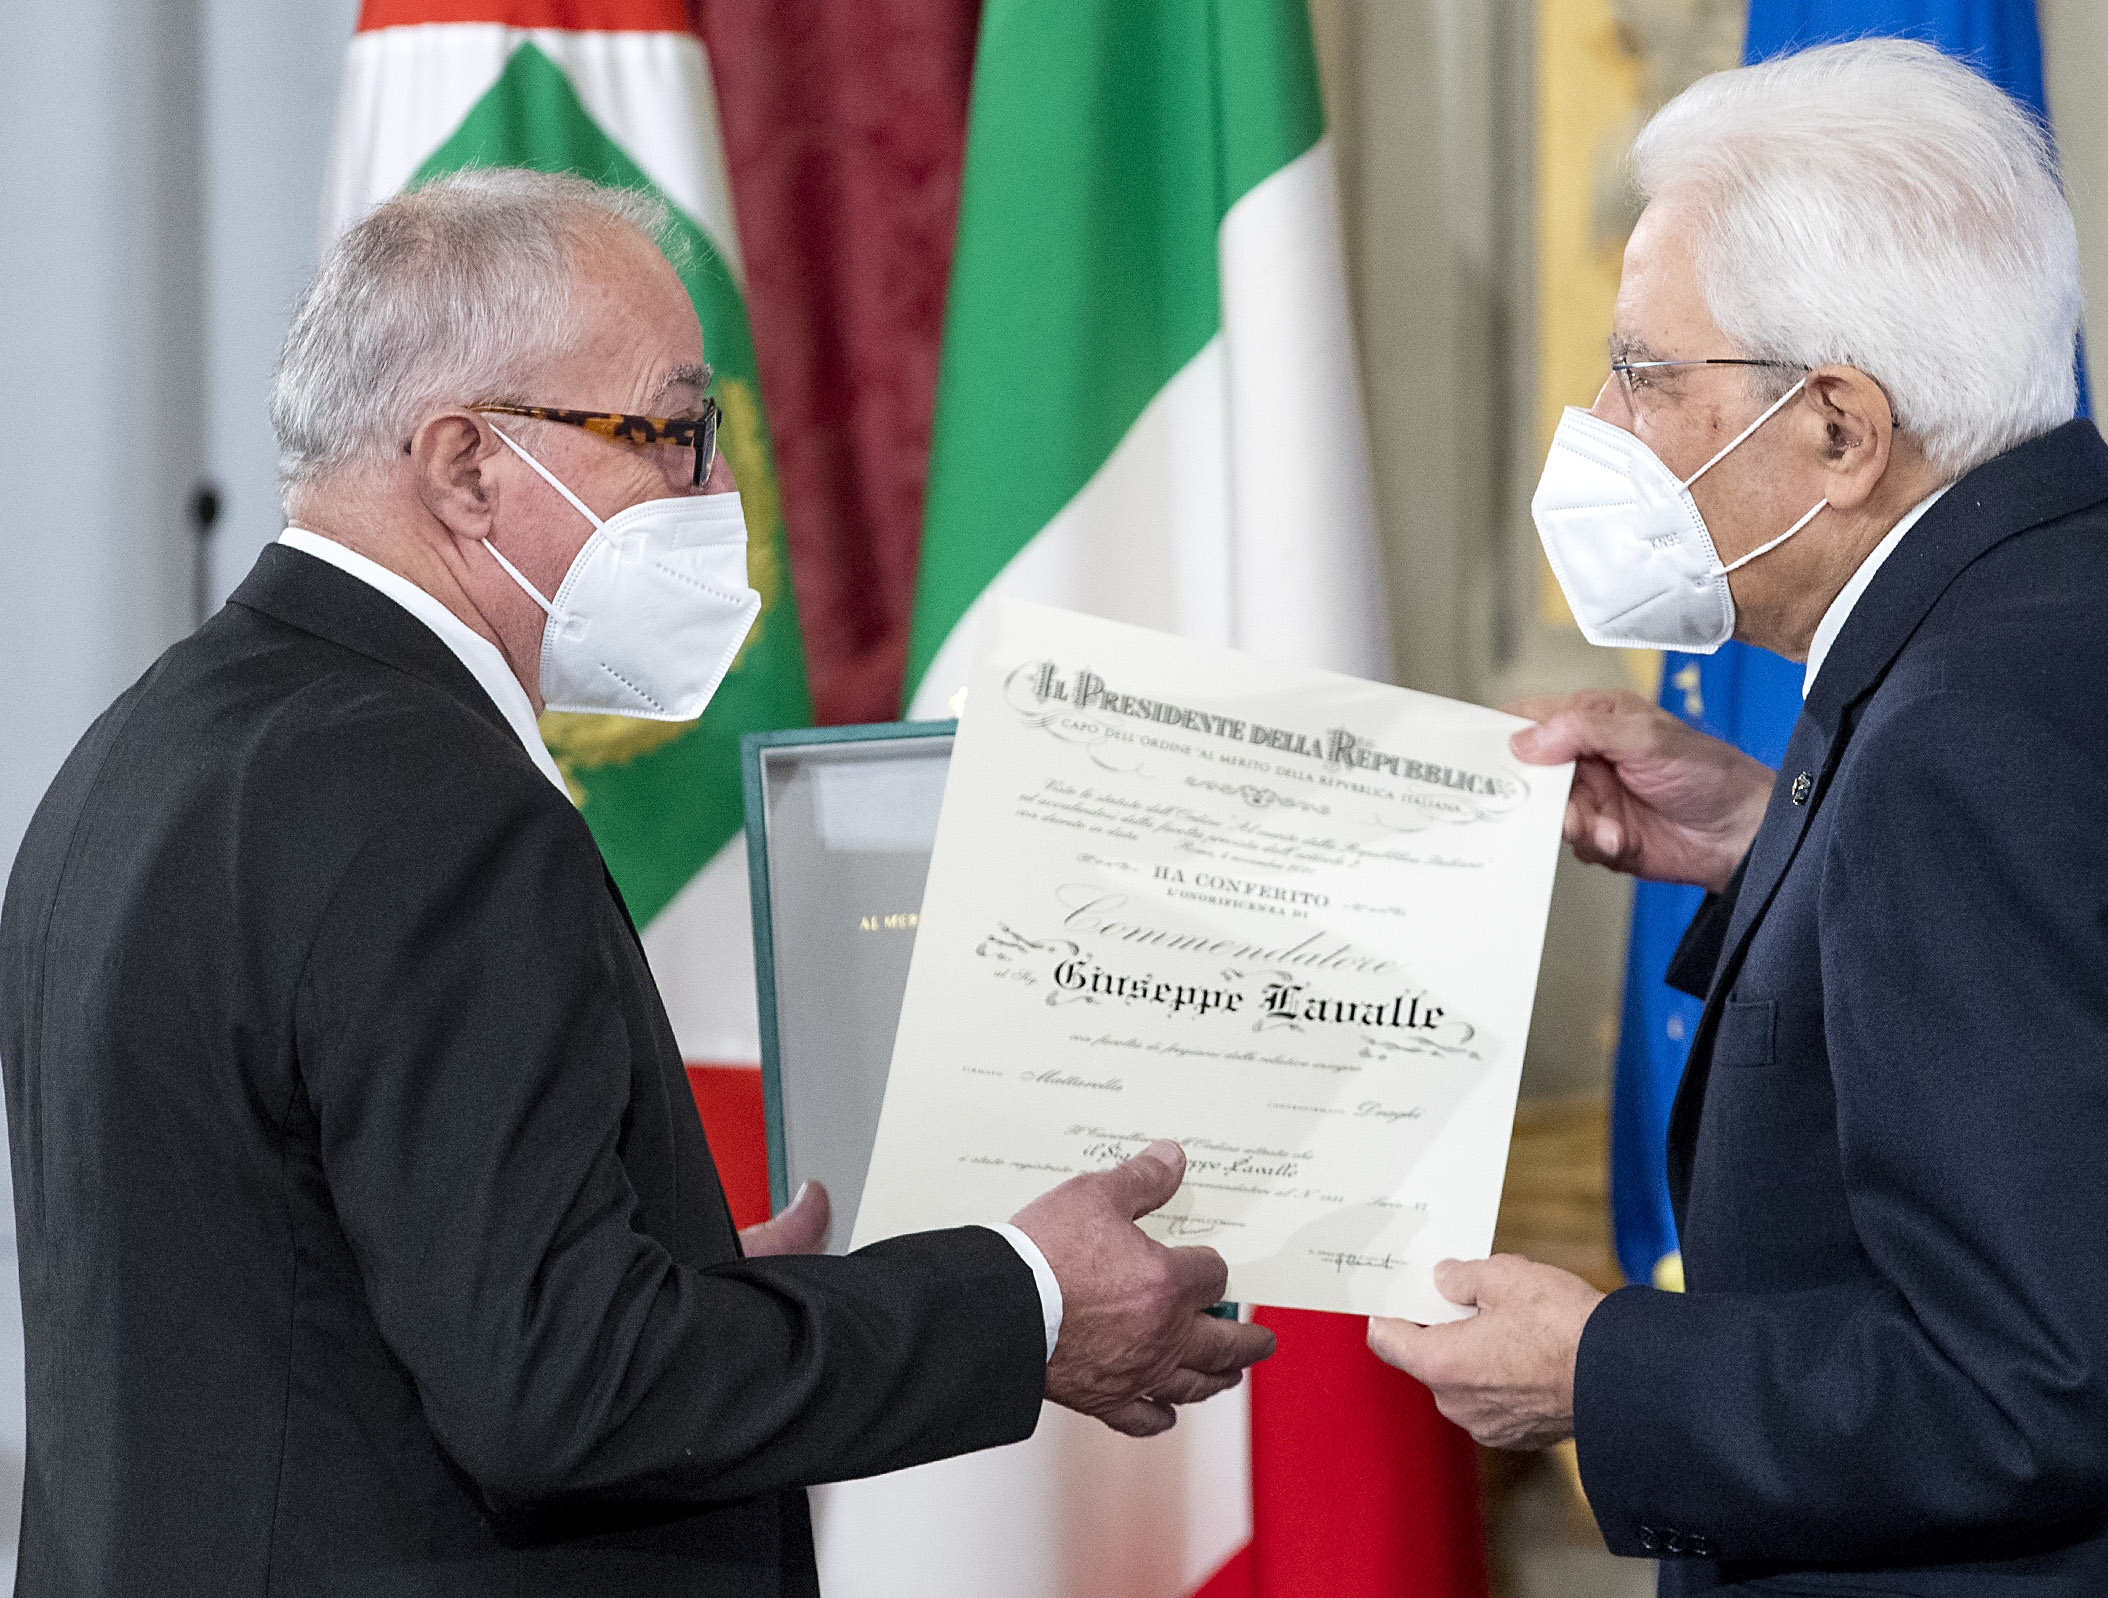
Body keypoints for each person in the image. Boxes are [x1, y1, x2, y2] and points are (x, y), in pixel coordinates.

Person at [0, 169, 1271, 1597]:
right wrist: (1023, 1302)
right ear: (466, 467)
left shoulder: (148, 744)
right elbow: (562, 1389)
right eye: (675, 433)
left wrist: (679, 1283)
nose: (721, 496)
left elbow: (306, 1292)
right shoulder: (429, 797)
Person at [1369, 39, 2108, 1594]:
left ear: (1838, 427)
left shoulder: (1970, 733)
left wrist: (1602, 1373)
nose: (1598, 419)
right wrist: (1777, 837)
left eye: (1644, 371)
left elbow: (2026, 1393)